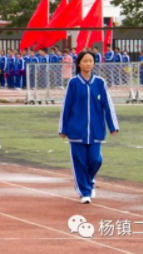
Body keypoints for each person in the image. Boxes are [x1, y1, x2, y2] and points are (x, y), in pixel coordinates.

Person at [59, 51, 119, 204]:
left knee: (95, 160)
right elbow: (66, 106)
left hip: (96, 130)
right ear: (79, 63)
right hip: (76, 130)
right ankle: (84, 192)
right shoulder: (73, 83)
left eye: (90, 61)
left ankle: (89, 181)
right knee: (79, 162)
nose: (88, 64)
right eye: (85, 61)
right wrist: (63, 128)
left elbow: (108, 105)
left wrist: (113, 125)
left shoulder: (100, 83)